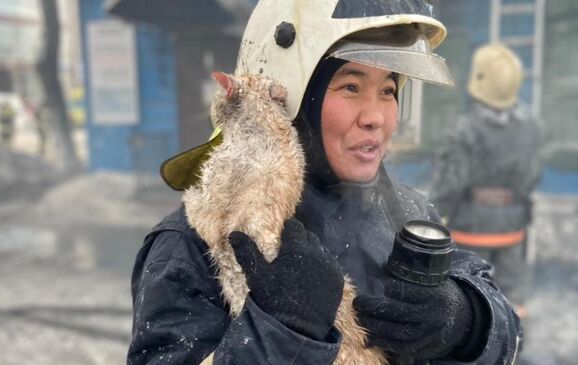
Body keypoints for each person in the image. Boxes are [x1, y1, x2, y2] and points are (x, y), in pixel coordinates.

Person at [128, 1, 522, 364]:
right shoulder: (194, 242)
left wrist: (467, 320)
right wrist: (283, 330)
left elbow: (506, 329)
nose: (376, 117)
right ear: (293, 97)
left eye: (388, 90)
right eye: (350, 87)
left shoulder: (405, 211)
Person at [429, 43, 543, 319]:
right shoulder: (531, 127)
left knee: (469, 296)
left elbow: (449, 185)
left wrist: (431, 213)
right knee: (513, 301)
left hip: (470, 231)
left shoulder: (465, 132)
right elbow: (531, 177)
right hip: (513, 229)